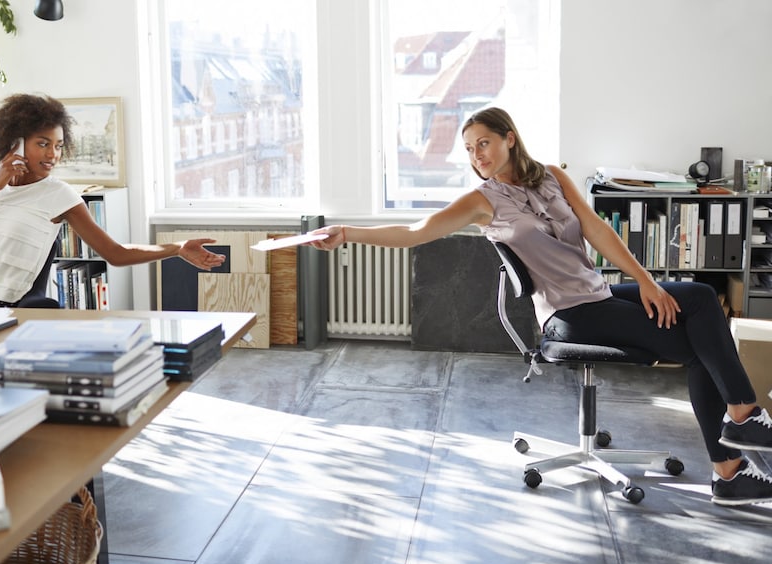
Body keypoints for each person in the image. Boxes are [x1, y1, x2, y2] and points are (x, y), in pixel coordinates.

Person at [308, 106, 772, 506]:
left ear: (510, 139)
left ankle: (738, 428)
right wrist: (348, 232)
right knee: (696, 345)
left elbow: (597, 230)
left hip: (599, 294)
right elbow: (415, 233)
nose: (478, 156)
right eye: (470, 149)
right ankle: (735, 448)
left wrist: (645, 280)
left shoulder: (552, 176)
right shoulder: (481, 201)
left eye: (484, 143)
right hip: (569, 316)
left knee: (699, 296)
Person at [0, 93, 225, 309]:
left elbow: (115, 253)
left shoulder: (60, 195)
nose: (52, 155)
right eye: (43, 144)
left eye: (58, 146)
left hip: (3, 311)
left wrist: (177, 249)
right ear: (15, 142)